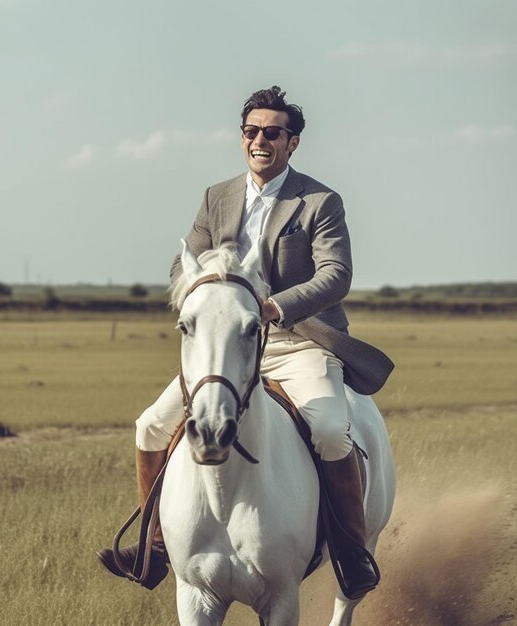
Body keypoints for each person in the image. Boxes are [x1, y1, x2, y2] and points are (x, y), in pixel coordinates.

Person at [98, 85, 390, 599]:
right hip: (228, 346)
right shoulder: (217, 197)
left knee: (327, 428)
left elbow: (335, 275)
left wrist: (274, 306)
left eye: (272, 133)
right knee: (149, 424)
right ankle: (156, 547)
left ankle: (349, 549)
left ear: (292, 142)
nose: (260, 140)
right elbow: (180, 265)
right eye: (251, 131)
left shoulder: (319, 201)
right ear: (242, 138)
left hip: (296, 342)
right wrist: (209, 288)